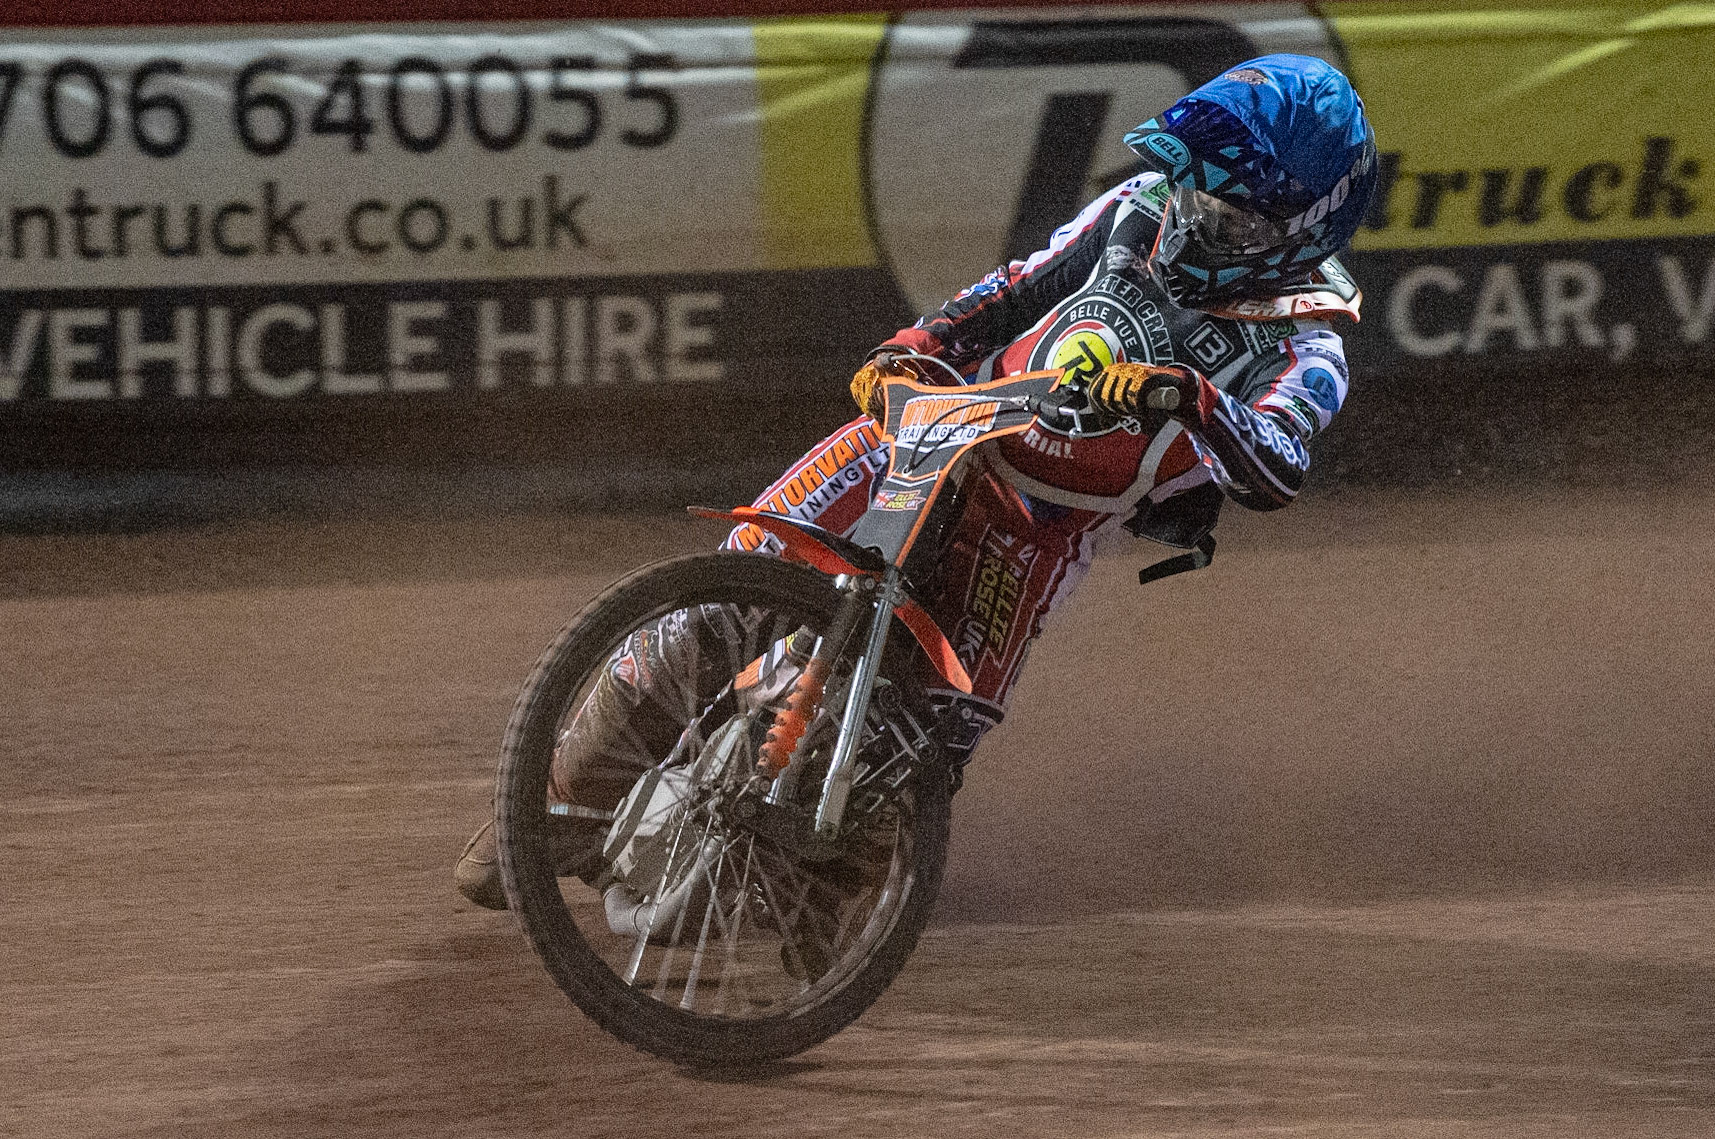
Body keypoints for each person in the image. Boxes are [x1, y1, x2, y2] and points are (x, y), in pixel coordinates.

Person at [455, 52, 1378, 909]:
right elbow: (1015, 288)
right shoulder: (1141, 205)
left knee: (925, 748)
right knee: (727, 594)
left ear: (1303, 228)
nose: (1197, 216)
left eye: (1231, 213)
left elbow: (1280, 462)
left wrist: (1188, 396)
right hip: (935, 432)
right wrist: (911, 348)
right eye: (1196, 186)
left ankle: (812, 910)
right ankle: (549, 810)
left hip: (1038, 528)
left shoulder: (1309, 337)